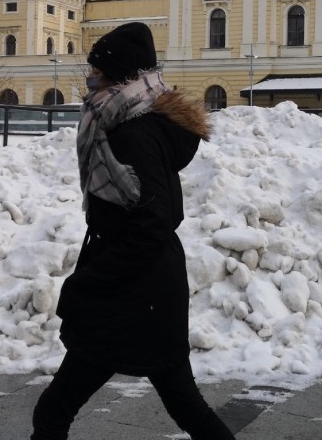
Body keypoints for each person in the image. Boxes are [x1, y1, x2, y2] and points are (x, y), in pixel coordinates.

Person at [31, 22, 235, 439]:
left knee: (54, 410)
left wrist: (90, 282)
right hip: (149, 291)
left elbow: (152, 221)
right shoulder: (134, 121)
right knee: (185, 406)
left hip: (132, 294)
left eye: (98, 72)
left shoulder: (132, 131)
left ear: (118, 76)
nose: (92, 79)